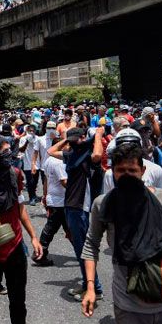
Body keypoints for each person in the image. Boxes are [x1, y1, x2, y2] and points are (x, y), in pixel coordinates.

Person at [81, 143, 162, 324]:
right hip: (128, 304)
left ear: (143, 171)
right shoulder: (103, 204)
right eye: (121, 170)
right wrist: (90, 287)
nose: (127, 175)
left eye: (132, 170)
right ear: (112, 171)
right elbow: (91, 245)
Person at [0, 135, 42, 324]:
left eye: (9, 150)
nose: (8, 155)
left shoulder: (15, 174)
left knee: (18, 302)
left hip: (15, 247)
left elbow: (20, 206)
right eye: (3, 152)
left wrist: (33, 236)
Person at [48, 127, 104, 302]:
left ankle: (95, 288)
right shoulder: (72, 155)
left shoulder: (87, 156)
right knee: (80, 249)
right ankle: (92, 284)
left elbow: (97, 156)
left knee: (83, 250)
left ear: (83, 138)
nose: (73, 143)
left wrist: (98, 137)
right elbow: (51, 151)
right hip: (71, 206)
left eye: (76, 139)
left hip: (80, 207)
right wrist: (67, 139)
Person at [35, 135, 68, 267]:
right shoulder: (58, 162)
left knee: (58, 227)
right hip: (60, 200)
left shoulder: (49, 160)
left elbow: (46, 180)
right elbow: (64, 182)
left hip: (55, 199)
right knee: (53, 228)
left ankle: (40, 253)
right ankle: (40, 253)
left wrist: (44, 195)